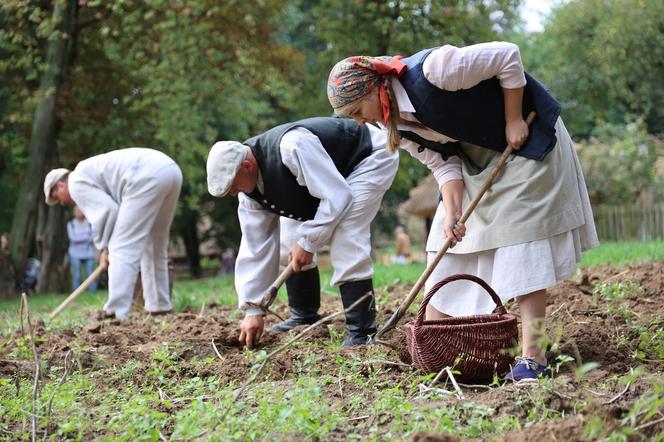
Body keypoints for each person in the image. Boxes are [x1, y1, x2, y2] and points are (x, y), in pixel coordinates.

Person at [327, 41, 599, 380]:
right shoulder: (389, 122)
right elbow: (442, 164)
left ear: (376, 87)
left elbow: (508, 55)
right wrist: (453, 214)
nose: (356, 122)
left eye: (355, 110)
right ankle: (443, 347)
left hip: (526, 139)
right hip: (476, 154)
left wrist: (513, 118)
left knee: (521, 238)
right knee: (444, 244)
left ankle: (533, 359)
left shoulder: (433, 71)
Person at [206, 117, 399, 348]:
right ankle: (305, 315)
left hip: (366, 156)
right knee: (289, 239)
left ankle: (362, 331)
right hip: (330, 180)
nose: (232, 193)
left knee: (346, 235)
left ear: (247, 166)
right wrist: (254, 309)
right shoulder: (249, 194)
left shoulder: (291, 147)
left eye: (232, 185)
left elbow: (337, 196)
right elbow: (255, 246)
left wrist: (309, 243)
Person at [44, 148, 182, 320]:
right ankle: (159, 306)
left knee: (121, 248)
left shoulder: (76, 182)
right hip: (170, 170)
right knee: (154, 245)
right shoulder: (89, 171)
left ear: (60, 185)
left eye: (57, 197)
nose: (62, 202)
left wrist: (104, 248)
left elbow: (107, 211)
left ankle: (115, 312)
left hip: (145, 177)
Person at [67, 206, 97, 291]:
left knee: (91, 274)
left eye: (81, 210)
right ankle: (76, 294)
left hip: (89, 253)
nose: (79, 212)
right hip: (75, 253)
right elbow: (73, 238)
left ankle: (92, 294)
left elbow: (93, 236)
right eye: (77, 211)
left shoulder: (90, 223)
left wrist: (80, 237)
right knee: (77, 275)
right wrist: (86, 237)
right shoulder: (71, 224)